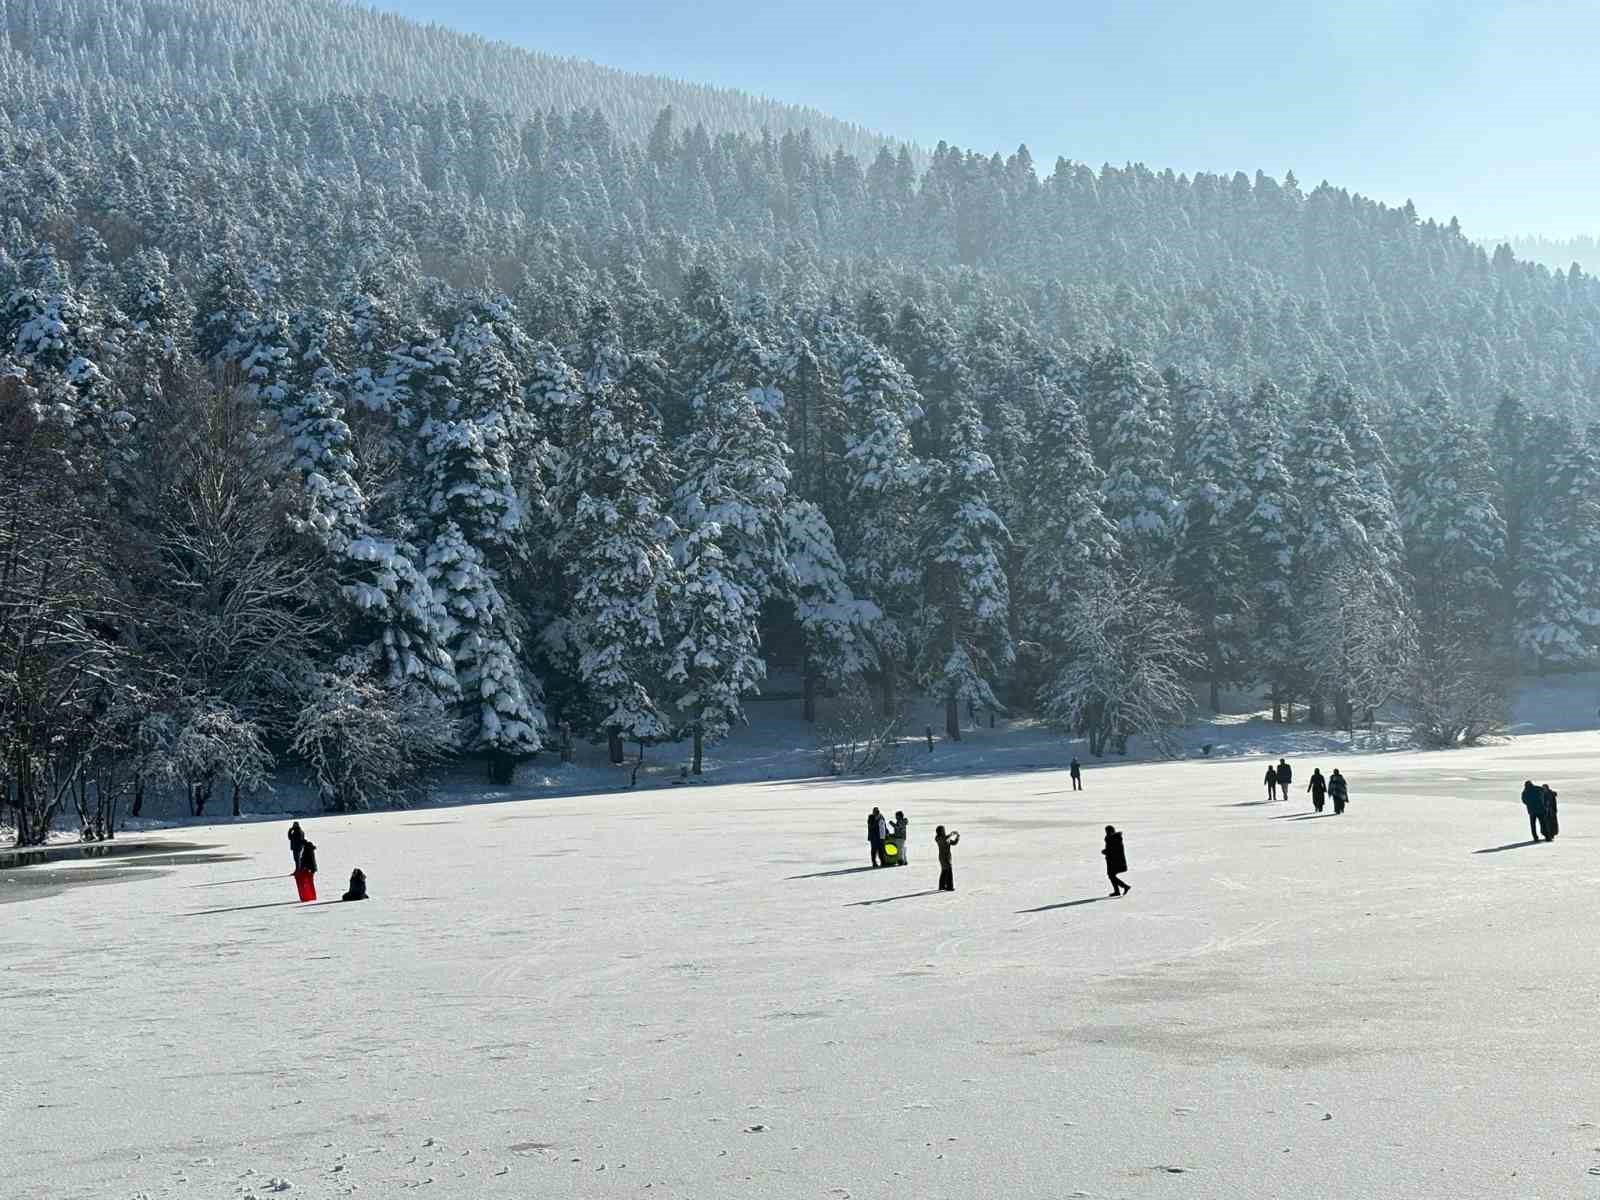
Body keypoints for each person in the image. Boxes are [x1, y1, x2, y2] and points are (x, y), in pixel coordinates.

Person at [1102, 825, 1130, 896]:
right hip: (1112, 860)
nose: (1107, 832)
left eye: (1108, 831)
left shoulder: (1116, 838)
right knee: (1111, 875)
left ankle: (1124, 887)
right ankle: (1117, 891)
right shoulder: (1110, 838)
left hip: (1116, 861)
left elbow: (1115, 850)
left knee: (1111, 875)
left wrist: (1106, 851)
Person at [935, 825, 959, 892]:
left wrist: (957, 837)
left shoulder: (946, 838)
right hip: (943, 857)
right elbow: (944, 839)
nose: (944, 831)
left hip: (947, 856)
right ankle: (949, 887)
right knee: (948, 871)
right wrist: (951, 834)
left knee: (945, 871)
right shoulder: (938, 838)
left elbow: (954, 843)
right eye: (943, 830)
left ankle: (942, 886)